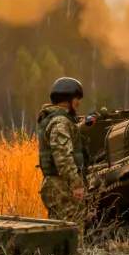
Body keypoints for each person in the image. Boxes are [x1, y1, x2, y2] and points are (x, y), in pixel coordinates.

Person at [37, 76, 88, 223]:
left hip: (56, 184)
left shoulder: (57, 120)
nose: (78, 103)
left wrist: (83, 126)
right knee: (71, 234)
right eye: (76, 98)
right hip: (62, 186)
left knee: (60, 234)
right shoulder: (60, 122)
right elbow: (63, 155)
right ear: (67, 100)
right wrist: (76, 184)